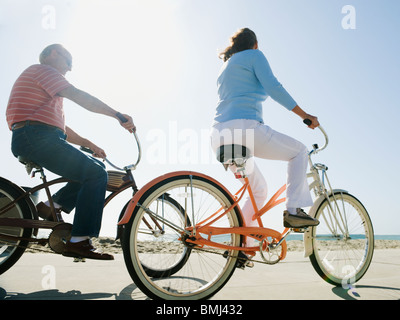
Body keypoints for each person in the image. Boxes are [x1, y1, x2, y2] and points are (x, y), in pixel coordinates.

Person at [6, 44, 136, 260]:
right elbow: (78, 96)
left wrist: (89, 144)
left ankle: (51, 206)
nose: (70, 69)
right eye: (69, 62)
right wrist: (117, 115)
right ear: (54, 53)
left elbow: (60, 129)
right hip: (36, 136)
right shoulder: (44, 70)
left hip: (35, 136)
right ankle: (80, 240)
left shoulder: (43, 87)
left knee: (94, 169)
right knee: (96, 174)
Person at [210, 28, 320, 252]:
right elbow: (273, 87)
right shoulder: (254, 56)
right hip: (245, 129)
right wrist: (304, 115)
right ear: (255, 44)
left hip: (218, 135)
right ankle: (293, 210)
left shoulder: (226, 66)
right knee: (299, 151)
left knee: (258, 190)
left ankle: (243, 246)